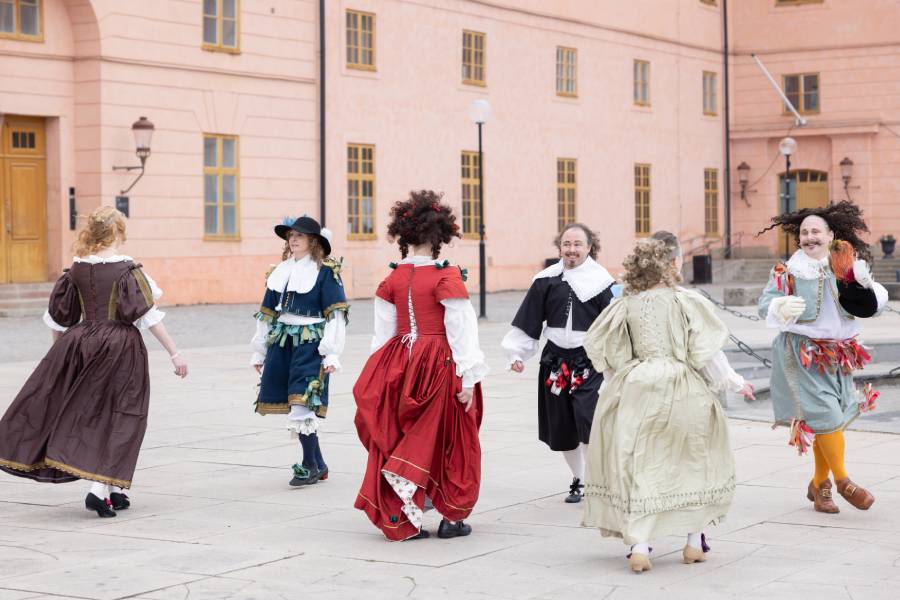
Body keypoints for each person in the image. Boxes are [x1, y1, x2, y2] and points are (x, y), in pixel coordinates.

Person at [582, 232, 754, 573]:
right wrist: (734, 382)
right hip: (681, 386)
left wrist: (619, 385)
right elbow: (706, 353)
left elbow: (610, 354)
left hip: (635, 387)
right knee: (693, 461)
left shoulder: (624, 305)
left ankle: (640, 547)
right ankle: (693, 542)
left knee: (638, 465)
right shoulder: (683, 301)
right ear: (672, 263)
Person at [0, 206, 187, 518]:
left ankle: (115, 490)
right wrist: (175, 353)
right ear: (117, 233)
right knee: (122, 414)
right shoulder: (127, 270)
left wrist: (61, 358)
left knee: (91, 412)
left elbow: (58, 319)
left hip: (81, 340)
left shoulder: (76, 269)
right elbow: (147, 316)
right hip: (119, 346)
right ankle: (98, 490)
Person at [353, 190, 488, 541]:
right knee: (449, 437)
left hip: (399, 361)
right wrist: (468, 377)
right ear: (440, 237)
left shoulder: (392, 279)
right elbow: (461, 329)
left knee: (404, 435)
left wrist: (378, 376)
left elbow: (381, 336)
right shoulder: (446, 277)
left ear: (406, 235)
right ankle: (450, 516)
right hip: (438, 360)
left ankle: (406, 516)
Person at [757, 201, 888, 514]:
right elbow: (765, 306)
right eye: (804, 232)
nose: (809, 236)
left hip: (838, 355)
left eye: (816, 231)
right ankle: (844, 483)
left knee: (830, 421)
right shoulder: (787, 270)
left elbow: (871, 300)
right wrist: (780, 307)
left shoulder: (844, 264)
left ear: (831, 235)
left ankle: (819, 485)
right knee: (827, 418)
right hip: (803, 354)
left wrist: (865, 285)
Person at [501, 223, 614, 503]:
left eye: (578, 244)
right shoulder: (546, 279)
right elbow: (529, 318)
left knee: (588, 417)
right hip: (555, 359)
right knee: (562, 423)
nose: (571, 250)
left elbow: (615, 325)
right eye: (566, 244)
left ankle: (595, 480)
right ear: (559, 247)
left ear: (590, 247)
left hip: (589, 358)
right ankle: (579, 478)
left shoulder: (603, 282)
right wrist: (516, 353)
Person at [251, 216, 348, 487]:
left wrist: (331, 353)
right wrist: (259, 352)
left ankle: (309, 465)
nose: (293, 240)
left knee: (302, 402)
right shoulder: (279, 271)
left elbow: (336, 315)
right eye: (291, 235)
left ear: (313, 241)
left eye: (300, 236)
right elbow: (266, 314)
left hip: (311, 343)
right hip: (283, 342)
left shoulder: (326, 272)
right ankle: (319, 464)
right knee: (294, 401)